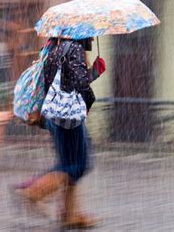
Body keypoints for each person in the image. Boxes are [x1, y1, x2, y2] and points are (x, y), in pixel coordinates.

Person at [11, 37, 106, 229]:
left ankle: (69, 214)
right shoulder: (74, 49)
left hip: (55, 115)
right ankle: (33, 191)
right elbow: (79, 83)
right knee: (78, 165)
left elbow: (65, 80)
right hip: (69, 117)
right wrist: (89, 101)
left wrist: (94, 71)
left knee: (68, 163)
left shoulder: (52, 48)